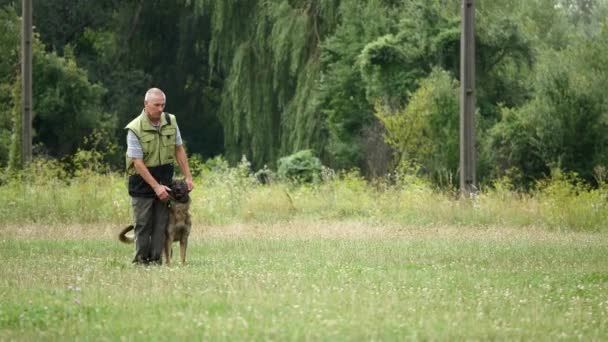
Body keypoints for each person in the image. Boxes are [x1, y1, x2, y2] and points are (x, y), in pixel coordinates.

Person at [125, 88, 193, 265]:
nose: (161, 108)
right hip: (142, 182)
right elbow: (137, 163)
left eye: (163, 104)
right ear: (146, 104)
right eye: (156, 105)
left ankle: (156, 261)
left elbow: (178, 149)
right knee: (143, 225)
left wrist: (188, 177)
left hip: (164, 181)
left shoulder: (171, 121)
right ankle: (141, 261)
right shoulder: (135, 128)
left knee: (160, 225)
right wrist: (155, 187)